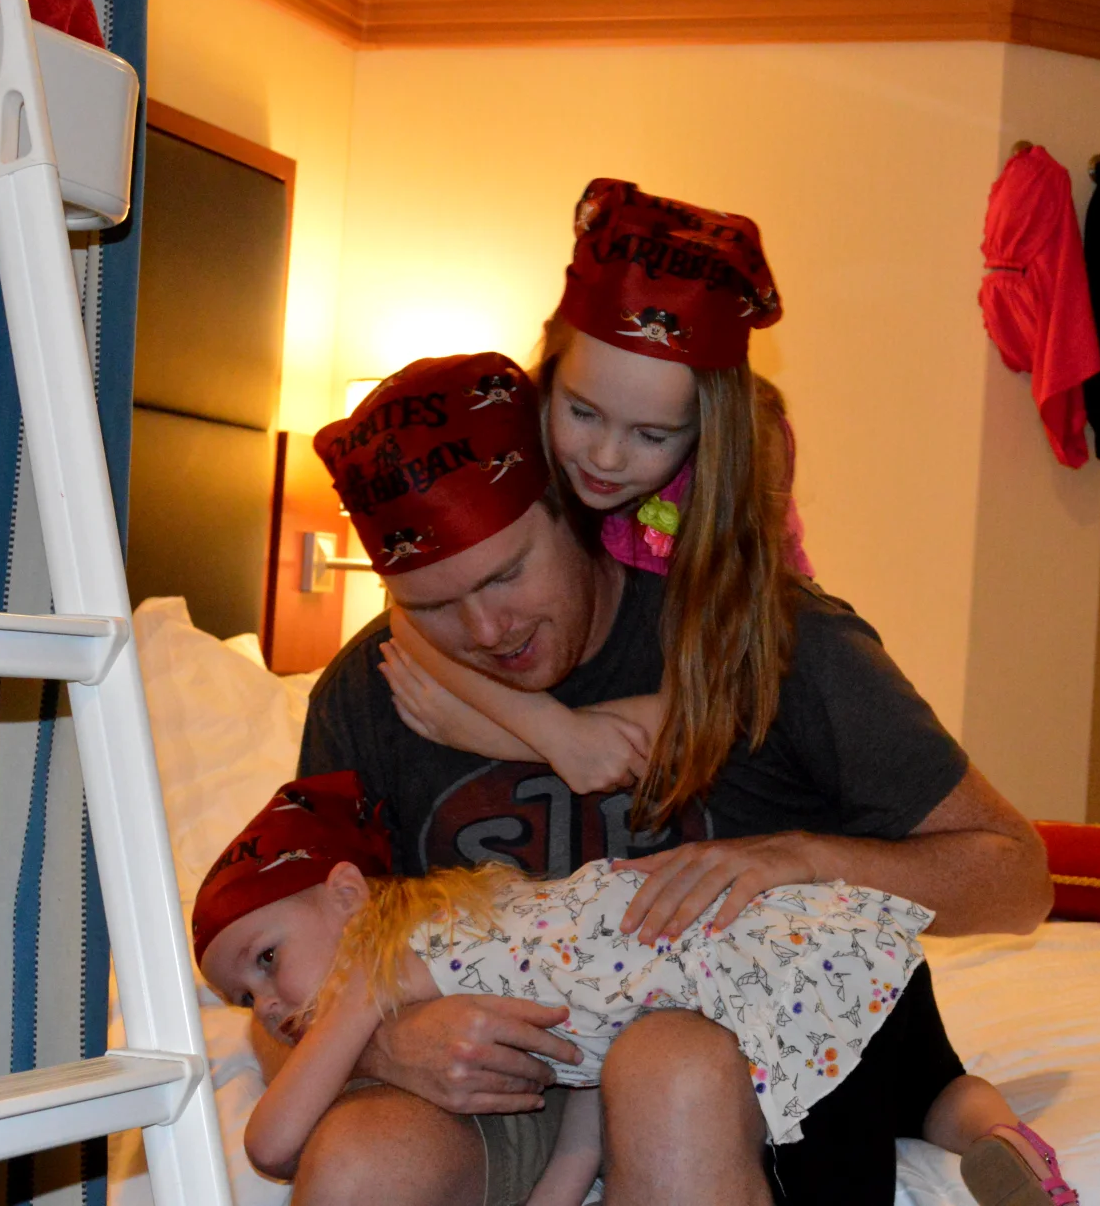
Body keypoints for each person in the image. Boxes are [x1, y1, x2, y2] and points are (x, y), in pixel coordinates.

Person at [300, 290, 1050, 1205]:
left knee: (664, 1063)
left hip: (714, 1062)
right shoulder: (367, 694)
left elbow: (1017, 877)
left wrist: (800, 856)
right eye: (432, 606)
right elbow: (271, 958)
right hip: (503, 1089)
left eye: (507, 574)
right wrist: (383, 1042)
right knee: (359, 1159)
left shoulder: (766, 640)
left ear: (572, 503)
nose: (488, 629)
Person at [194, 772, 1078, 1206]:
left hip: (784, 987)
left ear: (350, 894)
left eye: (266, 959)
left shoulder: (382, 971)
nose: (265, 1006)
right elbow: (597, 1058)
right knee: (934, 1088)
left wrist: (355, 1019)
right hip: (838, 943)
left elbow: (272, 1142)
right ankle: (1005, 1141)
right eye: (241, 999)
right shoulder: (491, 917)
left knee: (823, 1169)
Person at [375, 178, 809, 814]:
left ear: (706, 431)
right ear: (550, 377)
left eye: (652, 435)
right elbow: (411, 611)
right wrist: (550, 728)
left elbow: (719, 710)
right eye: (582, 412)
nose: (606, 458)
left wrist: (500, 735)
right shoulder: (510, 448)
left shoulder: (735, 489)